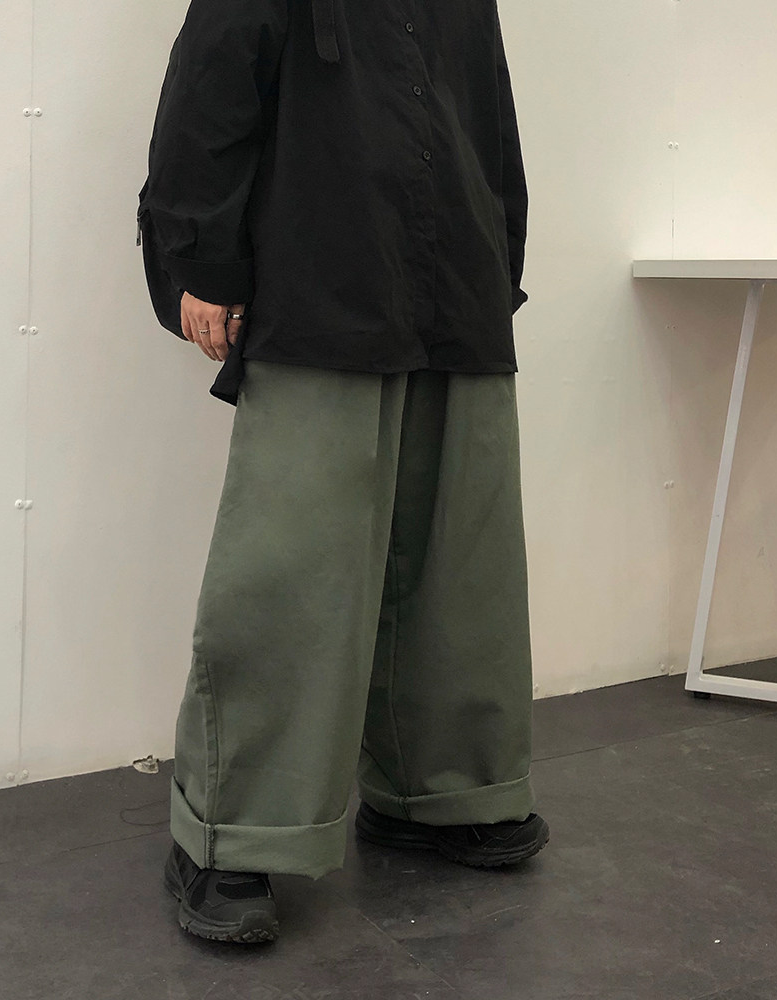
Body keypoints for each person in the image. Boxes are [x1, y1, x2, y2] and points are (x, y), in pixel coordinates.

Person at [137, 0, 549, 945]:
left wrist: (499, 255)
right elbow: (209, 91)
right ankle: (232, 831)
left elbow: (490, 112)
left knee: (462, 564)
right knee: (293, 565)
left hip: (456, 281)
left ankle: (440, 792)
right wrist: (198, 258)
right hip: (320, 278)